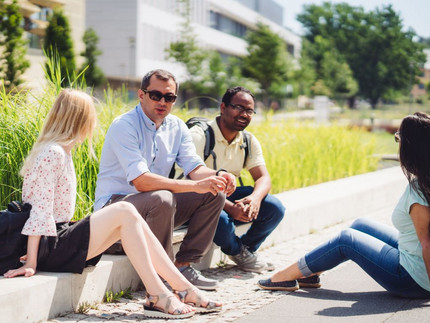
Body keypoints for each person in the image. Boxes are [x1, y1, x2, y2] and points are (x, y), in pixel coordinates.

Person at [3, 89, 222, 319]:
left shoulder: (62, 151)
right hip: (52, 244)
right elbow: (40, 210)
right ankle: (160, 294)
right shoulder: (53, 153)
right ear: (79, 119)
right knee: (125, 210)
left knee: (130, 217)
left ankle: (181, 288)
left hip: (59, 237)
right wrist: (32, 262)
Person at [258, 112, 430, 299]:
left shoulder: (418, 190)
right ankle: (310, 273)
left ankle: (283, 277)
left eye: (399, 138)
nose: (398, 144)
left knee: (346, 240)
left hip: (410, 279)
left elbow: (427, 243)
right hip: (412, 260)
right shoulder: (424, 181)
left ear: (411, 147)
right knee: (360, 225)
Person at [94, 69, 236, 290]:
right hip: (115, 211)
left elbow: (194, 167)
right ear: (141, 95)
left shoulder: (177, 126)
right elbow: (141, 182)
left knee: (213, 193)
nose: (162, 102)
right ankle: (162, 278)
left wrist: (219, 176)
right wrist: (194, 185)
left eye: (169, 97)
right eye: (155, 95)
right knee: (162, 197)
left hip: (155, 209)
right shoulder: (124, 125)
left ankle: (182, 266)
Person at [189, 87, 285, 273]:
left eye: (249, 110)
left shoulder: (248, 140)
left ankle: (245, 250)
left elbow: (263, 177)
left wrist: (254, 200)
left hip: (225, 196)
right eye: (238, 107)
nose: (244, 114)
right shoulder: (200, 135)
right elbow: (190, 180)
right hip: (196, 198)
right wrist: (230, 207)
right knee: (222, 220)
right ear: (223, 107)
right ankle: (239, 253)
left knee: (274, 208)